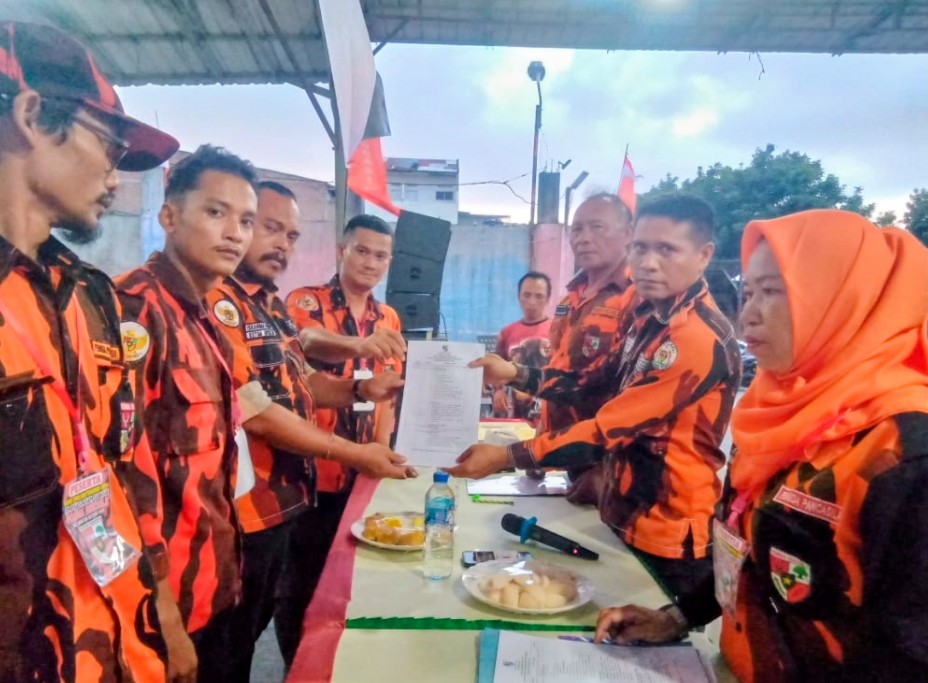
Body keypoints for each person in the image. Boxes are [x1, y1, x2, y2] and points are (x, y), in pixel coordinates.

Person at [594, 210, 928, 681]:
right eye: (749, 293)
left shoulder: (901, 453)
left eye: (773, 292)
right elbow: (747, 545)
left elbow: (911, 651)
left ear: (842, 297)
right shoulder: (774, 410)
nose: (748, 313)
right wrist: (678, 617)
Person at [0, 21, 180, 682]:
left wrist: (161, 613)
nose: (114, 177)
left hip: (118, 644)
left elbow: (119, 465)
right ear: (30, 116)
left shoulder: (90, 295)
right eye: (108, 146)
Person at [451, 195, 741, 599]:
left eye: (666, 249)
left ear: (703, 255)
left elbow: (608, 428)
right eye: (641, 248)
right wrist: (516, 374)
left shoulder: (692, 337)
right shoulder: (649, 319)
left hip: (668, 531)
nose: (648, 262)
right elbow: (588, 384)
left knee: (644, 632)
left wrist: (506, 457)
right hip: (622, 510)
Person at [204, 182, 413, 670]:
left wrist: (362, 390)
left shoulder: (267, 305)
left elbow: (299, 384)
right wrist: (352, 449)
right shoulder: (227, 302)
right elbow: (259, 405)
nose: (281, 243)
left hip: (286, 497)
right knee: (245, 631)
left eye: (291, 235)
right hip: (243, 508)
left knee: (263, 623)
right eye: (268, 227)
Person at [116, 145, 258, 683]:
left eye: (246, 221)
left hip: (214, 585)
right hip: (162, 608)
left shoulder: (204, 317)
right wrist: (164, 617)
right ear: (170, 216)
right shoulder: (134, 312)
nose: (235, 234)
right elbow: (119, 480)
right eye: (216, 212)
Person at [281, 213, 406, 666]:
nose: (371, 262)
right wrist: (358, 346)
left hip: (363, 470)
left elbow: (388, 394)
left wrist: (383, 456)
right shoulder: (306, 300)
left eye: (381, 255)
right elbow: (306, 341)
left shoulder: (388, 317)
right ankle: (297, 668)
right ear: (342, 251)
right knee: (301, 585)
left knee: (353, 579)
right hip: (313, 472)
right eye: (362, 251)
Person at [491, 271, 553, 422]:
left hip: (549, 414)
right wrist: (498, 391)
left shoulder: (558, 331)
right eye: (527, 295)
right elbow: (496, 368)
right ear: (518, 296)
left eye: (539, 296)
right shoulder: (507, 332)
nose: (532, 302)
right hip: (515, 415)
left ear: (548, 299)